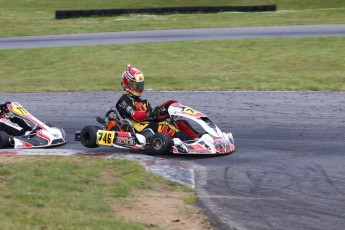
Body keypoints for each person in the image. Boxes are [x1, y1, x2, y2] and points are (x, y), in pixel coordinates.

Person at [114, 64, 199, 141]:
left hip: (150, 124)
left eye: (140, 85)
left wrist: (164, 110)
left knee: (181, 123)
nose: (139, 88)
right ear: (127, 84)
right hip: (139, 129)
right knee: (165, 125)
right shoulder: (123, 101)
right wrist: (151, 112)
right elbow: (135, 115)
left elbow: (153, 117)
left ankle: (198, 137)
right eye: (136, 85)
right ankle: (190, 140)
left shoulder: (143, 100)